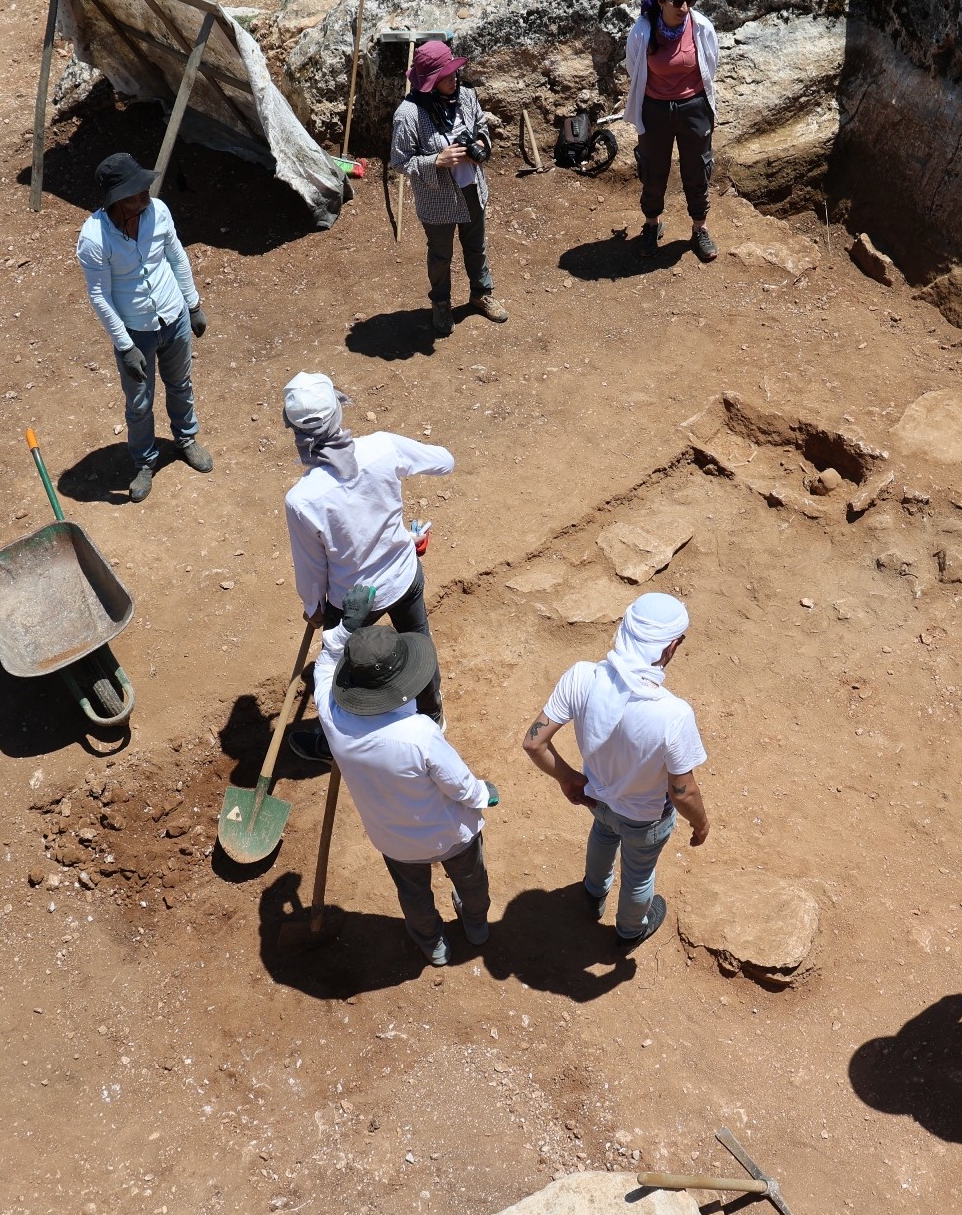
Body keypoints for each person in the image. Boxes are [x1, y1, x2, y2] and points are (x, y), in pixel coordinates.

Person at [521, 592, 710, 948]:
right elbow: (682, 792)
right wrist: (701, 824)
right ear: (669, 646)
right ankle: (629, 930)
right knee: (638, 877)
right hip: (646, 817)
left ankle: (593, 896)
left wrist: (568, 777)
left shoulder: (581, 676)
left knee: (603, 838)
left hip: (597, 798)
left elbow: (534, 742)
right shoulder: (674, 714)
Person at [315, 612, 497, 966]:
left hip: (395, 841)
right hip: (451, 834)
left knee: (413, 894)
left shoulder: (333, 718)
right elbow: (459, 785)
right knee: (472, 881)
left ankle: (433, 945)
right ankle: (476, 925)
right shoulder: (420, 734)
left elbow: (322, 669)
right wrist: (483, 794)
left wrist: (345, 629)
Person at [282, 371, 454, 724]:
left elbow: (311, 567)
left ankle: (345, 736)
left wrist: (313, 606)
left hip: (352, 604)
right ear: (338, 413)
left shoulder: (302, 499)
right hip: (404, 576)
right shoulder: (382, 448)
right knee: (419, 642)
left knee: (349, 670)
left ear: (295, 430)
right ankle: (432, 714)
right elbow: (445, 462)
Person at [76, 151, 213, 504]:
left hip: (174, 316)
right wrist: (125, 345)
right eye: (135, 194)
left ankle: (185, 440)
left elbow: (176, 256)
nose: (144, 198)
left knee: (180, 383)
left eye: (144, 189)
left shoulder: (159, 212)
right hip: (136, 330)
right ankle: (144, 462)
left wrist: (193, 305)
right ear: (116, 200)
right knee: (139, 402)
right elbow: (99, 296)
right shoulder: (94, 239)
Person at [389, 40, 507, 338]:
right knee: (441, 256)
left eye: (455, 71)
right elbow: (400, 162)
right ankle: (441, 304)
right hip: (437, 198)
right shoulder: (408, 114)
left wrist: (481, 143)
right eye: (446, 75)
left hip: (472, 188)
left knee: (476, 246)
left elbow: (481, 126)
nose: (454, 78)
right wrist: (436, 160)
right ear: (430, 82)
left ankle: (481, 293)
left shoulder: (466, 96)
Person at [623, 0, 721, 264]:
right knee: (653, 169)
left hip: (694, 107)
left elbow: (711, 63)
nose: (685, 7)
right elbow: (633, 68)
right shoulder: (642, 31)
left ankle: (699, 228)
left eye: (689, 0)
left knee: (697, 168)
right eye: (678, 1)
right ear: (661, 1)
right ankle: (652, 224)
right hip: (655, 109)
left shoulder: (701, 26)